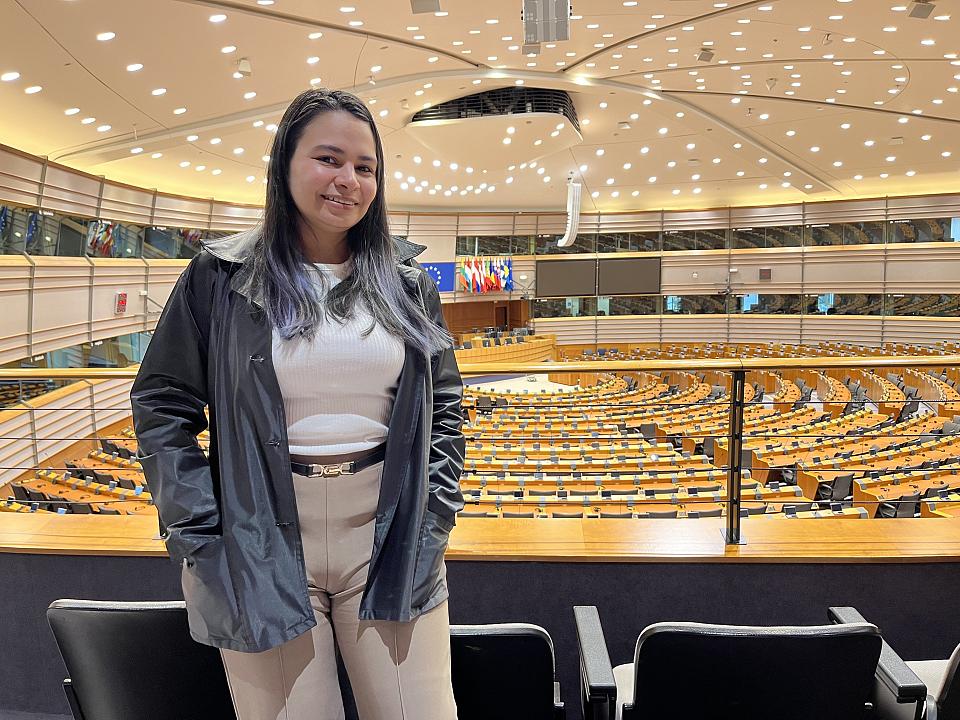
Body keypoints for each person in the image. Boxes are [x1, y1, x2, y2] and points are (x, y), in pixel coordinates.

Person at [130, 88, 465, 720]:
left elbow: (443, 403)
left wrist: (434, 515)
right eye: (329, 159)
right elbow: (162, 404)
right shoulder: (220, 278)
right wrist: (204, 530)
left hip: (389, 538)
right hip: (259, 539)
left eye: (365, 168)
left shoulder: (409, 284)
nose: (349, 181)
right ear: (285, 164)